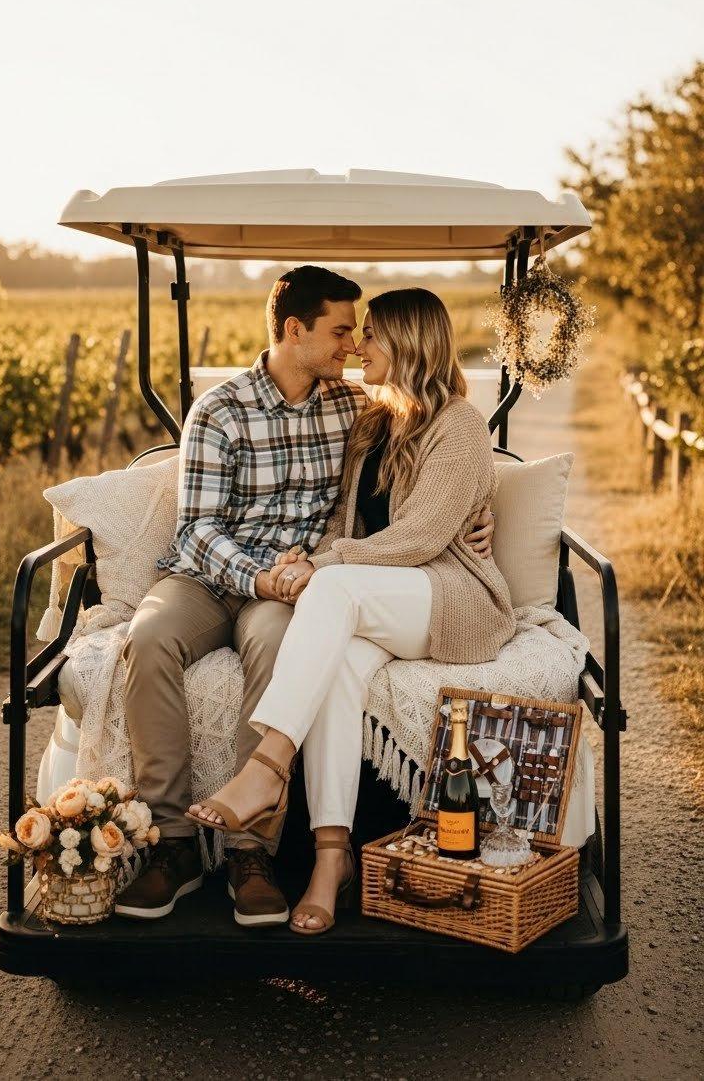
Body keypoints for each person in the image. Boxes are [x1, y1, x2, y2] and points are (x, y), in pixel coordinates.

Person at [116, 269, 494, 925]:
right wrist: (274, 573)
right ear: (295, 329)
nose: (353, 346)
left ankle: (251, 850)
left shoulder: (358, 407)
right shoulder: (226, 410)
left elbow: (426, 520)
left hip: (318, 585)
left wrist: (483, 518)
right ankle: (173, 845)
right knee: (147, 637)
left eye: (365, 335)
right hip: (223, 576)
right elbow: (198, 531)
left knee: (279, 639)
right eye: (345, 330)